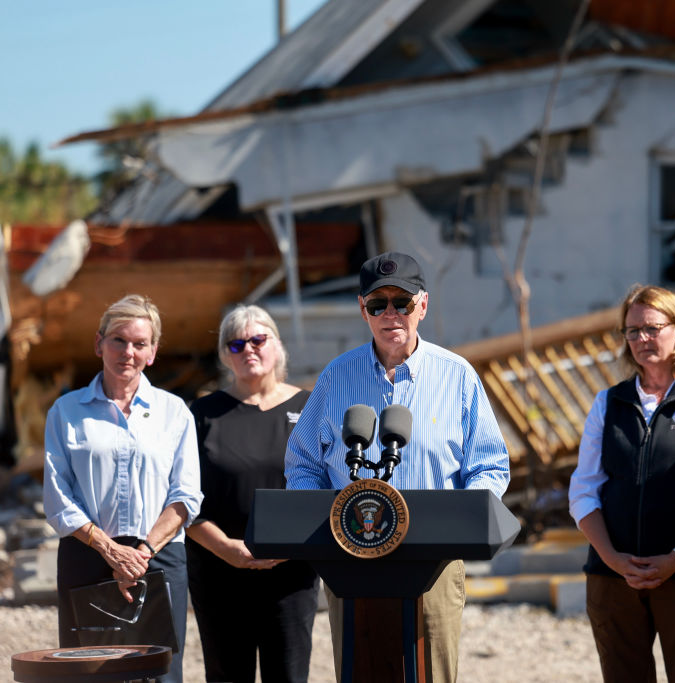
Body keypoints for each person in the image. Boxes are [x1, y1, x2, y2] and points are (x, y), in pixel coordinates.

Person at [285, 251, 510, 683]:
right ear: (363, 309)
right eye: (377, 304)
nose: (391, 314)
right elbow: (303, 463)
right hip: (349, 561)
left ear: (423, 306)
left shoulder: (457, 376)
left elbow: (490, 466)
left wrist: (458, 522)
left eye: (402, 302)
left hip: (435, 563)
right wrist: (323, 523)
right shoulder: (335, 377)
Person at [568, 284, 675, 683]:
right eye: (632, 331)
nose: (641, 339)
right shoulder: (608, 402)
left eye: (651, 328)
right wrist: (612, 558)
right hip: (614, 579)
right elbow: (584, 490)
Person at [43, 294, 202, 683]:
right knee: (90, 672)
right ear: (98, 343)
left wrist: (141, 553)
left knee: (160, 674)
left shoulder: (174, 412)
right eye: (118, 340)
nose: (127, 352)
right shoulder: (66, 411)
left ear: (153, 352)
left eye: (139, 343)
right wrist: (109, 550)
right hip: (89, 555)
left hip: (158, 559)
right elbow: (57, 495)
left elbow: (186, 496)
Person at [186, 305, 319, 682]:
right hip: (219, 571)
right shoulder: (202, 414)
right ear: (224, 355)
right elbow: (181, 497)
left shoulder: (310, 408)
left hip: (291, 574)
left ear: (277, 346)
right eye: (237, 343)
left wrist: (291, 546)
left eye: (259, 339)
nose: (249, 349)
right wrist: (228, 548)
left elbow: (328, 487)